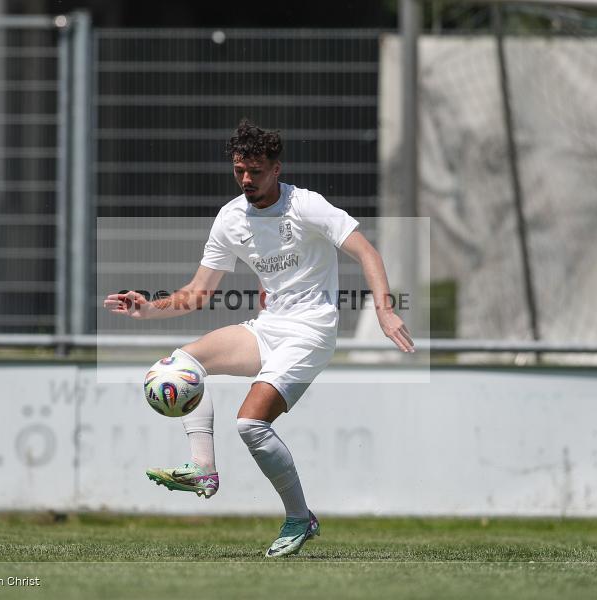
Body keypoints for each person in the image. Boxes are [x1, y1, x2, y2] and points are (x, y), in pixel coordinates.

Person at [104, 120, 414, 558]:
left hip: (311, 330)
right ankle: (203, 470)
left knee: (250, 424)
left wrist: (384, 309)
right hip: (268, 327)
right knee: (181, 364)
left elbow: (366, 250)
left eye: (255, 171)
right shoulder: (231, 218)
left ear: (276, 169)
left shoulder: (306, 206)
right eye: (239, 171)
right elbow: (198, 293)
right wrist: (150, 306)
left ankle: (299, 517)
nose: (246, 180)